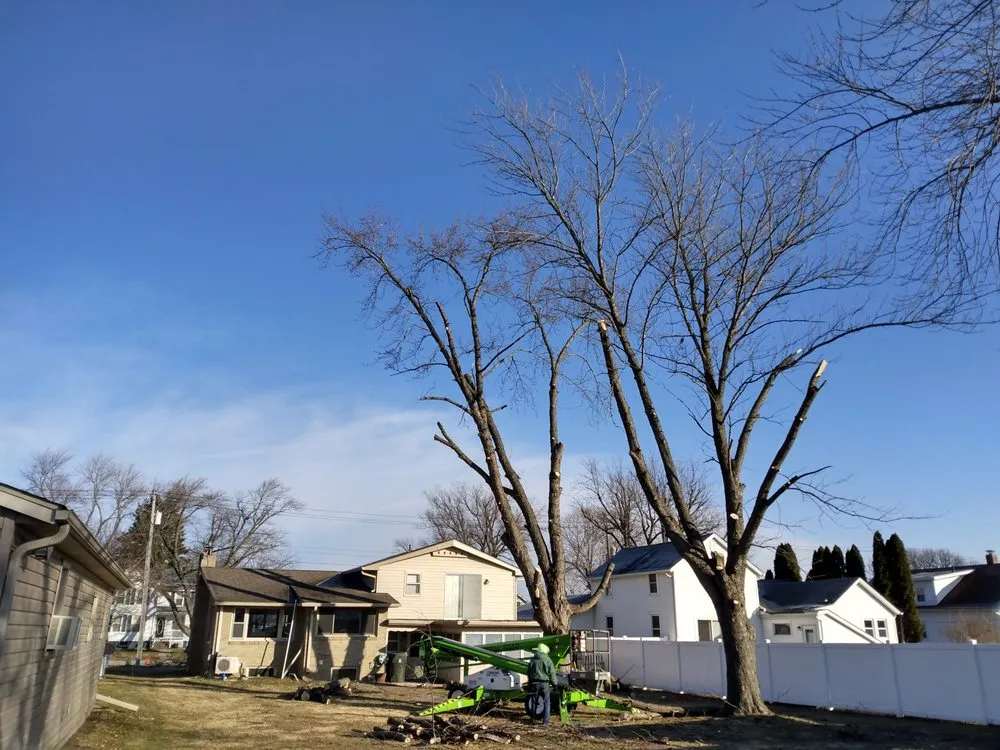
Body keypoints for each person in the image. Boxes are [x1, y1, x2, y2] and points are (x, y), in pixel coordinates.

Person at [526, 643, 557, 725]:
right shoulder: (547, 660)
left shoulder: (533, 660)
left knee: (534, 702)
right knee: (546, 702)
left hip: (534, 683)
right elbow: (552, 673)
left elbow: (529, 672)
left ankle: (533, 719)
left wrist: (529, 683)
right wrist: (555, 683)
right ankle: (545, 721)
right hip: (544, 684)